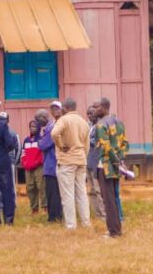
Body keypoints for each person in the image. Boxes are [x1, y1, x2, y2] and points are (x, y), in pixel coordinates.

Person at [51, 97, 91, 230]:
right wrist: (83, 156)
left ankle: (71, 225)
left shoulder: (64, 120)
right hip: (81, 160)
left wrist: (61, 146)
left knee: (67, 194)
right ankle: (86, 223)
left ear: (65, 108)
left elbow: (54, 133)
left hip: (67, 161)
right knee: (81, 193)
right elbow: (87, 145)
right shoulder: (83, 122)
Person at [94, 97, 129, 237]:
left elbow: (106, 146)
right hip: (116, 165)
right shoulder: (119, 122)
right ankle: (117, 229)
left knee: (107, 200)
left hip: (106, 166)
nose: (95, 110)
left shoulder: (101, 125)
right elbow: (125, 144)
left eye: (97, 107)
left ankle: (113, 231)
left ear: (104, 107)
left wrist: (114, 162)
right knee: (114, 197)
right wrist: (120, 161)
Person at [37, 105, 63, 222]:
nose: (37, 123)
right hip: (51, 163)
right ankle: (55, 215)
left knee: (53, 193)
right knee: (53, 192)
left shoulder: (50, 128)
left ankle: (54, 217)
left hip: (51, 164)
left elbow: (43, 145)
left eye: (38, 120)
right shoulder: (49, 127)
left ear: (44, 117)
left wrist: (39, 142)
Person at [21, 120, 46, 214]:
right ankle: (34, 208)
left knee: (41, 186)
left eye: (34, 126)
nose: (32, 128)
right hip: (28, 168)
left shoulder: (41, 139)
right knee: (30, 187)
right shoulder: (26, 140)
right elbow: (23, 153)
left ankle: (45, 207)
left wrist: (37, 162)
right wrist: (24, 162)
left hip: (39, 167)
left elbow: (43, 154)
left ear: (38, 128)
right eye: (31, 126)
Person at [86, 103, 106, 219]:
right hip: (87, 160)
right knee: (91, 190)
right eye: (88, 113)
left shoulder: (100, 126)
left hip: (96, 161)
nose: (90, 115)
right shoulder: (88, 126)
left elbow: (98, 143)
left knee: (98, 190)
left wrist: (87, 142)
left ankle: (104, 214)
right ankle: (97, 213)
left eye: (92, 112)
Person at [0, 111, 21, 208]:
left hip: (9, 162)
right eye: (1, 120)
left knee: (10, 184)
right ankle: (1, 204)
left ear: (8, 120)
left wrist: (15, 161)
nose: (3, 122)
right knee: (0, 183)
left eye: (4, 120)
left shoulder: (12, 133)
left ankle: (12, 203)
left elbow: (18, 148)